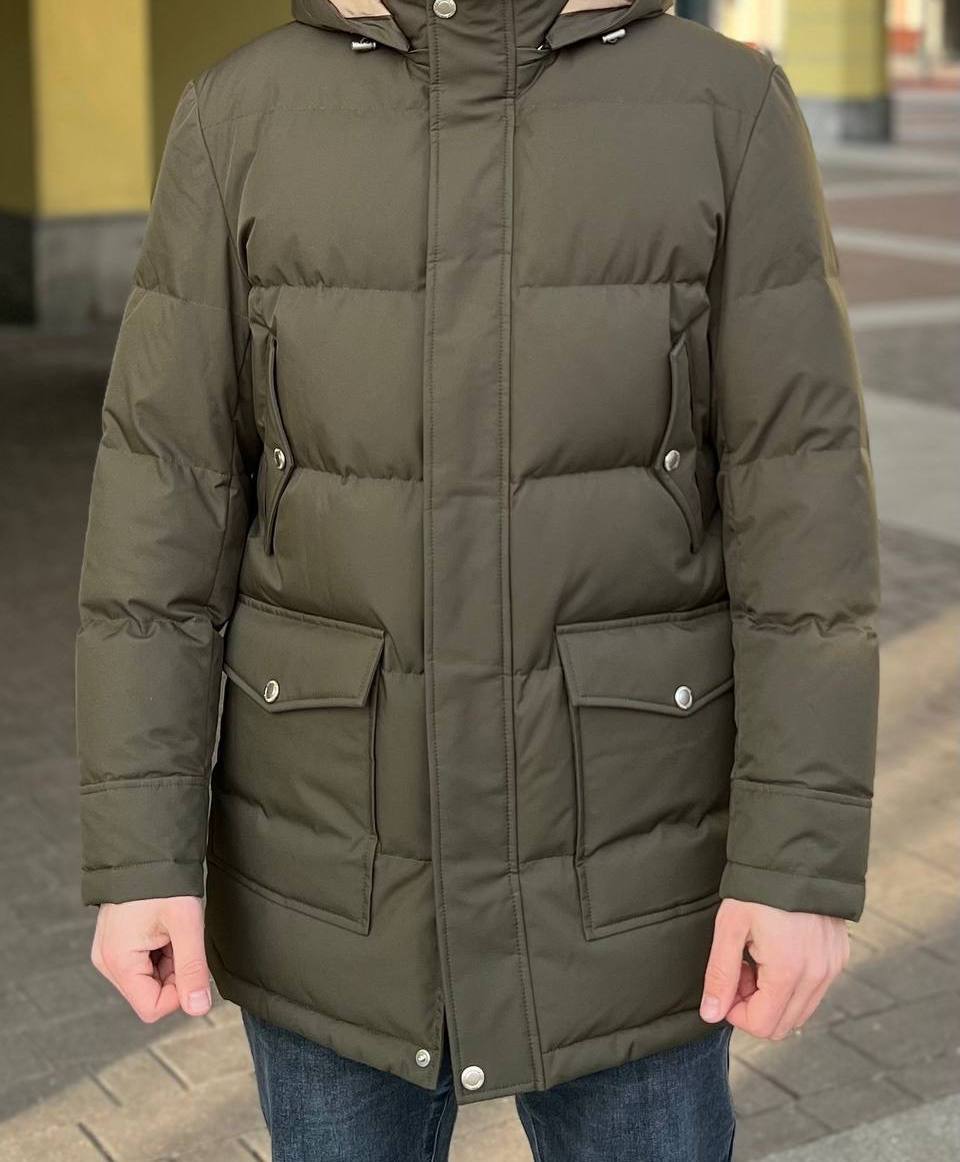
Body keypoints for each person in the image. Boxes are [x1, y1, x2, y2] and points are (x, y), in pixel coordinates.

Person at [76, 2, 881, 1159]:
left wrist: (797, 867)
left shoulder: (726, 110)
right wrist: (142, 852)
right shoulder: (240, 115)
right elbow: (161, 508)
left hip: (631, 875)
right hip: (332, 870)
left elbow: (804, 519)